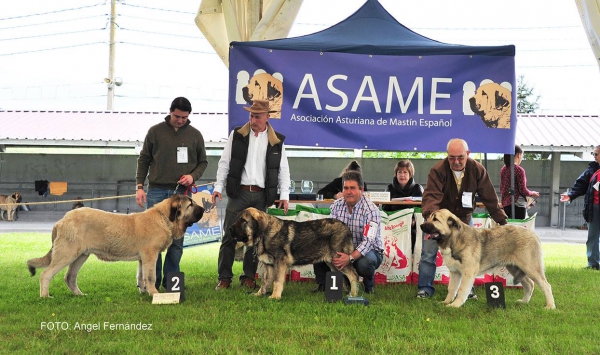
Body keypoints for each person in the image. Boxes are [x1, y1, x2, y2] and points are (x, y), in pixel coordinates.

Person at [212, 99, 291, 290]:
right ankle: (224, 277)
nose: (253, 119)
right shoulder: (237, 135)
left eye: (257, 116)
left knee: (255, 239)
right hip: (239, 193)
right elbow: (224, 163)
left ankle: (248, 276)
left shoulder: (276, 140)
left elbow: (283, 170)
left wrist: (285, 195)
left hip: (261, 195)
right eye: (251, 115)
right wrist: (217, 187)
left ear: (267, 117)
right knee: (230, 236)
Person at [416, 138, 507, 299]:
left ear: (468, 154)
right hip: (439, 222)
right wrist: (434, 221)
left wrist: (501, 221)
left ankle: (467, 291)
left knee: (468, 258)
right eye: (452, 158)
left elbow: (489, 196)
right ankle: (424, 289)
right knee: (429, 254)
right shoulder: (437, 170)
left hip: (464, 222)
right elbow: (431, 197)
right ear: (447, 155)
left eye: (460, 157)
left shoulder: (477, 169)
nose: (456, 161)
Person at [135, 97, 208, 290]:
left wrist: (192, 177)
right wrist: (139, 186)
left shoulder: (195, 135)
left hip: (182, 195)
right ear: (170, 111)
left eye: (184, 117)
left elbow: (203, 162)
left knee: (176, 242)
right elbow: (144, 159)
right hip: (157, 192)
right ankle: (152, 283)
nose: (180, 120)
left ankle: (171, 284)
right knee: (153, 243)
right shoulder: (155, 131)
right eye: (177, 116)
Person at [312, 171, 384, 294]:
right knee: (319, 248)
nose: (348, 192)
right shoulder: (336, 205)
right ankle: (324, 285)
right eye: (346, 188)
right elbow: (331, 230)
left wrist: (350, 257)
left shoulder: (371, 210)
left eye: (352, 188)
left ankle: (369, 283)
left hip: (370, 251)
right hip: (344, 248)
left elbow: (369, 241)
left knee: (364, 263)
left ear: (361, 190)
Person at [560, 145, 600, 269]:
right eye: (594, 154)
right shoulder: (591, 170)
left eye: (596, 154)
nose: (594, 156)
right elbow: (580, 185)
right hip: (594, 208)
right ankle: (593, 264)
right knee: (592, 236)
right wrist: (570, 195)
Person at [382, 159, 423, 251]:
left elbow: (421, 211)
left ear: (410, 174)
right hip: (393, 226)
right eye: (399, 172)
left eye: (405, 172)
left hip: (411, 227)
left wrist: (413, 221)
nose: (402, 175)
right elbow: (385, 210)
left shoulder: (417, 189)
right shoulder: (389, 188)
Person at [500, 145, 540, 219]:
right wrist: (532, 193)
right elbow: (522, 190)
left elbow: (502, 188)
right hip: (518, 205)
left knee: (508, 228)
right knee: (517, 229)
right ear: (519, 155)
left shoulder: (503, 169)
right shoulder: (519, 170)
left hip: (505, 205)